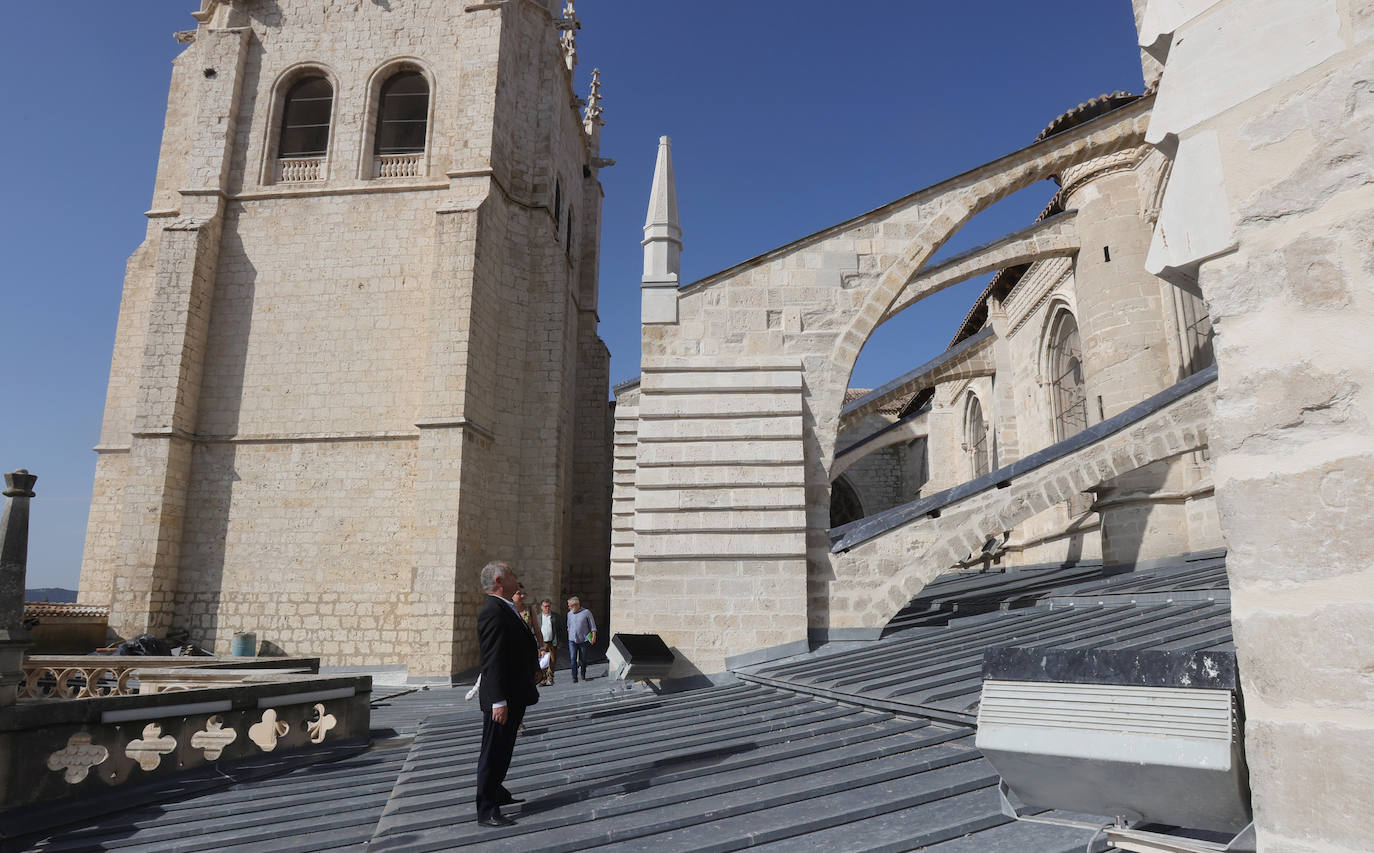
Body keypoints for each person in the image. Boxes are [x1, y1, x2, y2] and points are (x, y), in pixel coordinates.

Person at [475, 560, 539, 827]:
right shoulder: (493, 611)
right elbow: (492, 660)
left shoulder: (505, 608)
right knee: (494, 751)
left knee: (504, 748)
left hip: (514, 693)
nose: (516, 577)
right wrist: (498, 701)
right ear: (500, 581)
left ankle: (497, 792)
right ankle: (487, 809)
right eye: (511, 573)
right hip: (502, 698)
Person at [565, 595, 597, 683]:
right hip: (572, 640)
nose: (568, 607)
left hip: (584, 640)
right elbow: (568, 626)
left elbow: (592, 626)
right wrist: (569, 636)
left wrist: (594, 636)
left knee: (583, 659)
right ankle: (574, 677)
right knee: (572, 658)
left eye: (570, 606)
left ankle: (583, 674)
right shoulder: (569, 614)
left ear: (576, 605)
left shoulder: (586, 612)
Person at [535, 598, 562, 685]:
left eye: (549, 606)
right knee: (542, 661)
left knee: (552, 660)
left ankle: (550, 678)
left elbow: (560, 630)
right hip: (542, 643)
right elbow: (534, 630)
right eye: (545, 606)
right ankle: (543, 679)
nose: (547, 608)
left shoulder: (555, 617)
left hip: (552, 642)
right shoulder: (538, 617)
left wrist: (560, 641)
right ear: (541, 607)